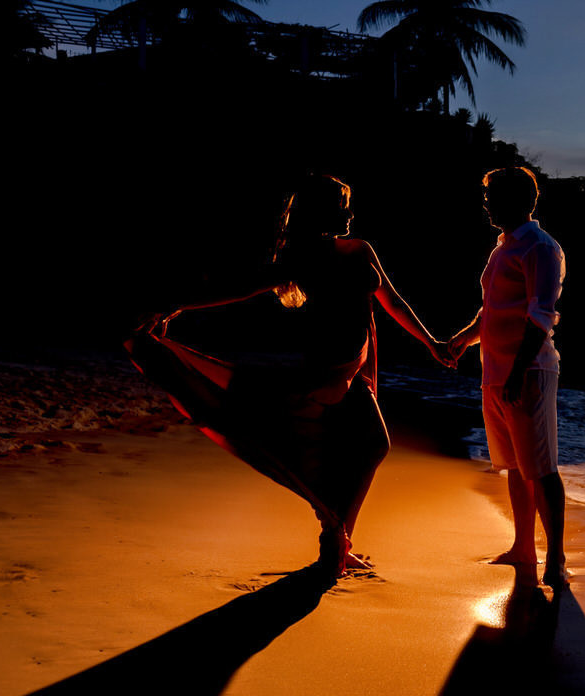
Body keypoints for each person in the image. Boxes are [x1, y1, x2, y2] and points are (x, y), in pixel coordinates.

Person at [126, 174, 453, 578]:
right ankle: (335, 542)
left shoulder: (362, 249)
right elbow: (240, 287)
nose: (350, 213)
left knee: (369, 448)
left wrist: (431, 342)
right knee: (327, 453)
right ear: (320, 212)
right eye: (342, 205)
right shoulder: (304, 257)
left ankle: (337, 542)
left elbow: (392, 300)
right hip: (324, 371)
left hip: (354, 370)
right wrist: (175, 306)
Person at [448, 166, 569, 589]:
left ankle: (556, 558)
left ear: (519, 201)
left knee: (542, 467)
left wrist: (518, 372)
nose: (486, 204)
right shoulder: (501, 248)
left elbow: (541, 316)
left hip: (530, 372)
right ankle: (523, 547)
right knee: (516, 466)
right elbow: (492, 309)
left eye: (492, 197)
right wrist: (463, 340)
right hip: (496, 372)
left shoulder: (540, 248)